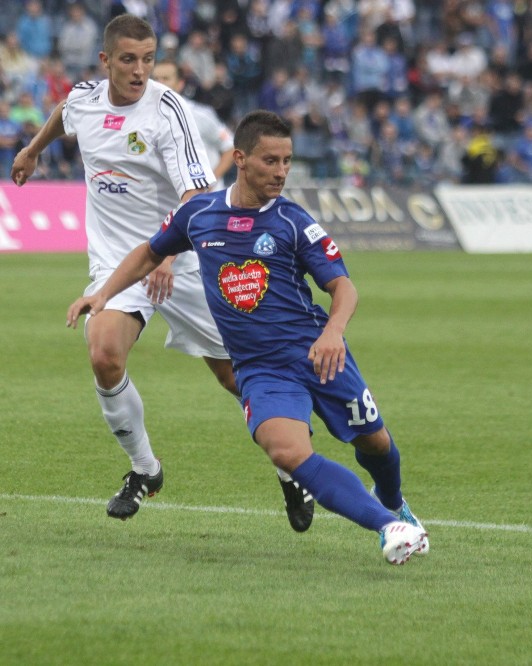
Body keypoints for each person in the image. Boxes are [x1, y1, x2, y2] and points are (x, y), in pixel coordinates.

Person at [67, 110, 429, 565]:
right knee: (287, 451)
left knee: (376, 445)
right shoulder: (199, 215)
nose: (281, 172)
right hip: (261, 369)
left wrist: (334, 332)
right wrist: (102, 295)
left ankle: (395, 503)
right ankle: (387, 526)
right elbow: (148, 252)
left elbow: (343, 286)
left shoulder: (293, 222)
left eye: (287, 161)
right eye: (270, 161)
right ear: (240, 158)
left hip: (319, 354)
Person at [10, 15, 313, 531]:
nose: (140, 70)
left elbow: (195, 194)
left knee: (234, 377)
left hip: (186, 257)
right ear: (106, 60)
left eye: (148, 60)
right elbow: (66, 111)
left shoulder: (167, 111)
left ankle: (291, 470)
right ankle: (145, 470)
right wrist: (34, 149)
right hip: (117, 262)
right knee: (104, 353)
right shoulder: (85, 97)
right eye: (128, 59)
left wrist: (169, 255)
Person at [152, 60, 235, 189]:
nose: (159, 84)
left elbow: (229, 148)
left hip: (207, 201)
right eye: (155, 79)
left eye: (165, 78)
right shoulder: (148, 118)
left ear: (180, 84)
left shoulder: (199, 114)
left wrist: (210, 181)